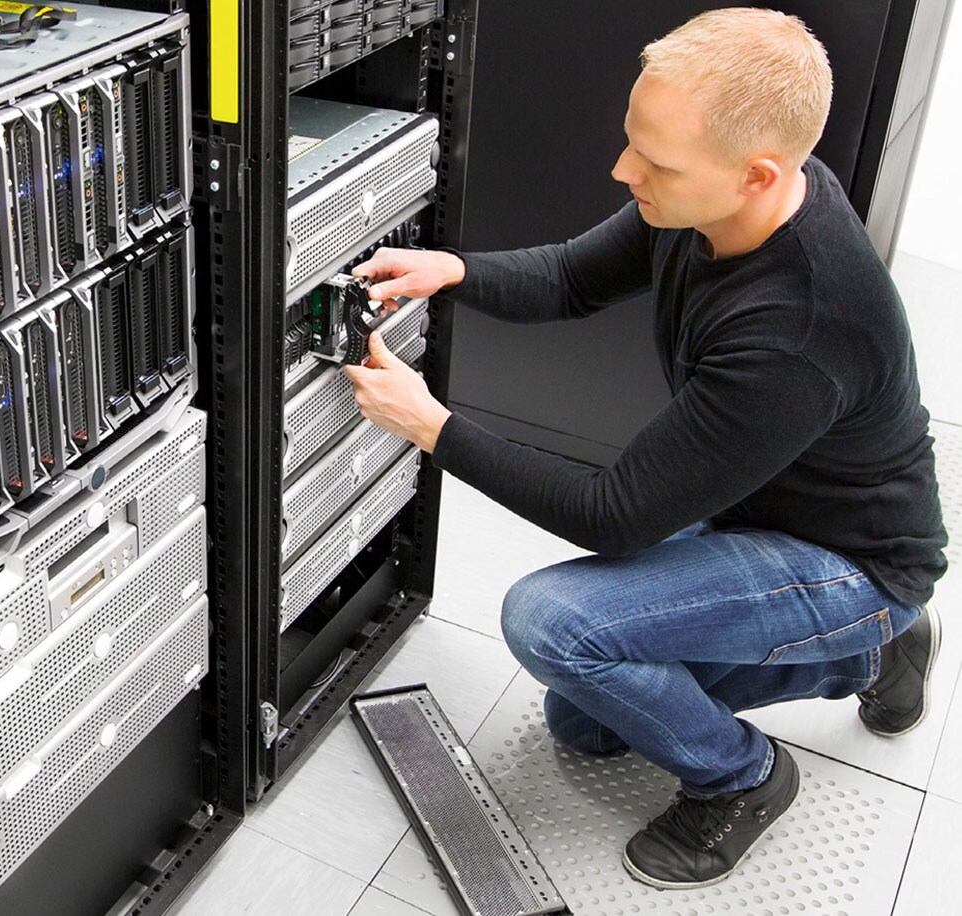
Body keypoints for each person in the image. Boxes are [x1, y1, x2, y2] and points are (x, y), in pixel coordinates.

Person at [343, 7, 947, 890]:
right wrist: (454, 270)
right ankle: (866, 656)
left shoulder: (798, 329)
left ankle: (742, 776)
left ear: (756, 174)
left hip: (850, 558)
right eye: (634, 143)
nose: (624, 172)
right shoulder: (733, 202)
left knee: (553, 625)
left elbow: (614, 516)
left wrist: (431, 426)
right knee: (585, 722)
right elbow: (572, 277)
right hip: (760, 508)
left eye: (654, 163)